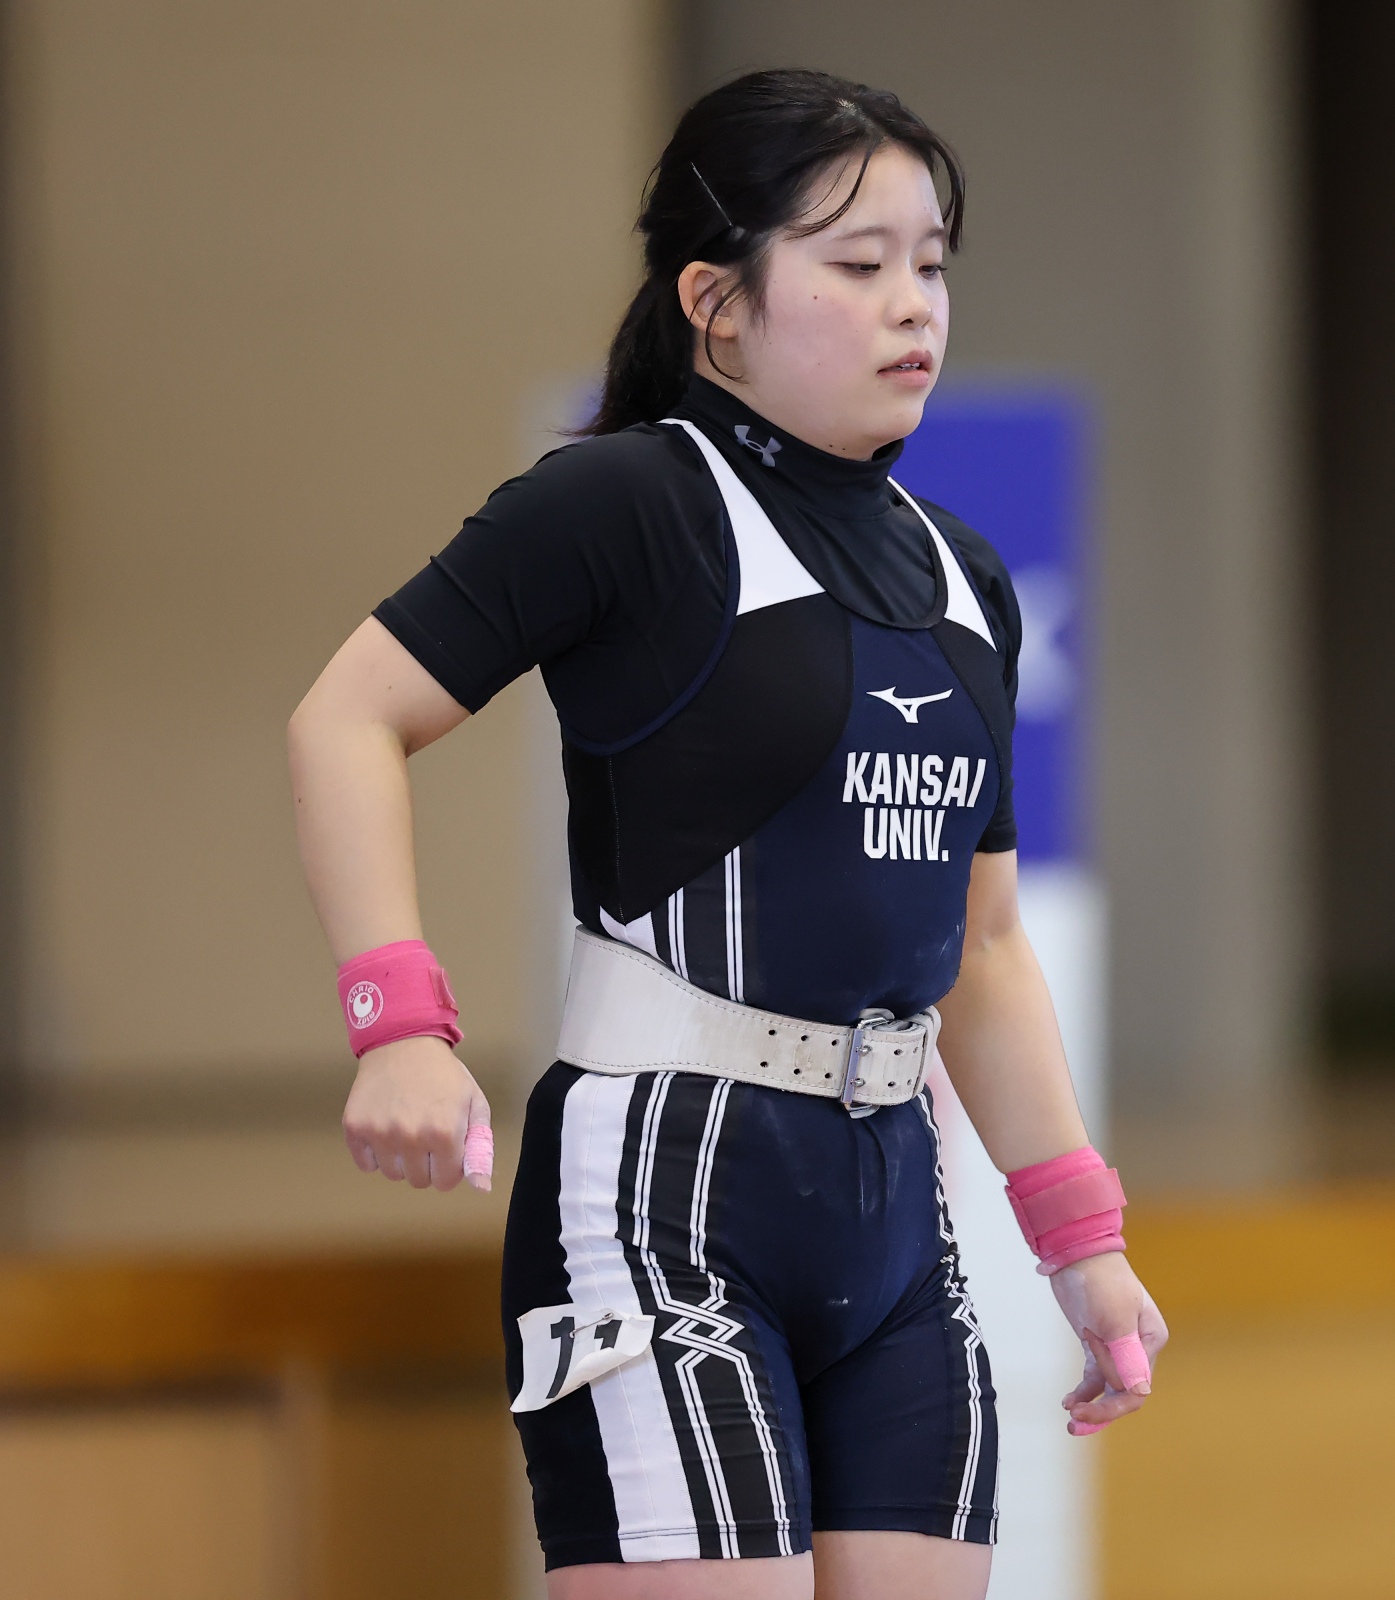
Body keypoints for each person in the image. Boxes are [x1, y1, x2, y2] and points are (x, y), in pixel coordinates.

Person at [286, 70, 1166, 1600]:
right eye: (858, 262)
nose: (914, 303)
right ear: (716, 303)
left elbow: (985, 948)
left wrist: (1080, 1240)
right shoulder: (623, 502)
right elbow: (345, 719)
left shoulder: (966, 577)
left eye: (931, 262)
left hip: (898, 1224)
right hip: (657, 1202)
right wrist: (398, 1024)